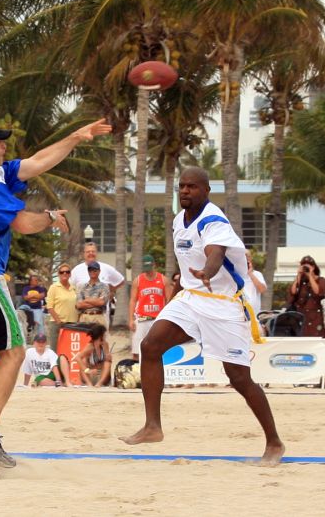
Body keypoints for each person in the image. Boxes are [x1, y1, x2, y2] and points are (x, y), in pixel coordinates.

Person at [0, 118, 110, 480]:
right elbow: (24, 224)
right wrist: (50, 217)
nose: (4, 146)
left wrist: (75, 136)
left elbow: (39, 162)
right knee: (14, 352)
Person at [121, 167, 284, 466]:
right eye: (181, 186)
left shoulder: (214, 219)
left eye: (192, 187)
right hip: (191, 298)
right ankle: (153, 426)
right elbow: (186, 273)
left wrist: (207, 272)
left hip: (222, 304)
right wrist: (172, 303)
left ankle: (274, 442)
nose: (185, 191)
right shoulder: (177, 221)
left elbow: (215, 254)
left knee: (239, 379)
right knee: (150, 346)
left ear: (206, 190)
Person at [129, 254, 172, 360]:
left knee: (160, 348)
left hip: (157, 319)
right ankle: (136, 373)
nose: (148, 270)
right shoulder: (138, 280)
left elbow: (169, 300)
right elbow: (133, 300)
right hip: (142, 318)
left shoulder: (163, 280)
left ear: (154, 265)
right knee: (137, 350)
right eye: (146, 268)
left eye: (150, 267)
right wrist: (130, 319)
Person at [286, 256, 325, 337]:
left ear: (313, 267)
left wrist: (310, 275)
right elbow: (293, 292)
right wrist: (299, 275)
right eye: (303, 266)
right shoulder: (300, 280)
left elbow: (318, 291)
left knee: (315, 337)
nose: (306, 268)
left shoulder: (320, 280)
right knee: (301, 337)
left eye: (308, 265)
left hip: (315, 316)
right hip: (301, 315)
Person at [45, 263, 78, 347]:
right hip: (58, 324)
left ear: (70, 274)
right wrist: (58, 321)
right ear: (58, 274)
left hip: (72, 324)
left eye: (67, 272)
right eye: (62, 272)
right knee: (56, 350)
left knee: (69, 350)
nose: (65, 273)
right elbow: (49, 307)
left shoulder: (74, 288)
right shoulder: (54, 287)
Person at [76, 262, 112, 329]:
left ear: (99, 271)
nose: (92, 272)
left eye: (95, 270)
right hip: (84, 318)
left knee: (99, 339)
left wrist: (86, 300)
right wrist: (96, 302)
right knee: (84, 339)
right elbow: (79, 305)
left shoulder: (104, 286)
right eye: (90, 270)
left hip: (98, 317)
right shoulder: (82, 287)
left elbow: (101, 302)